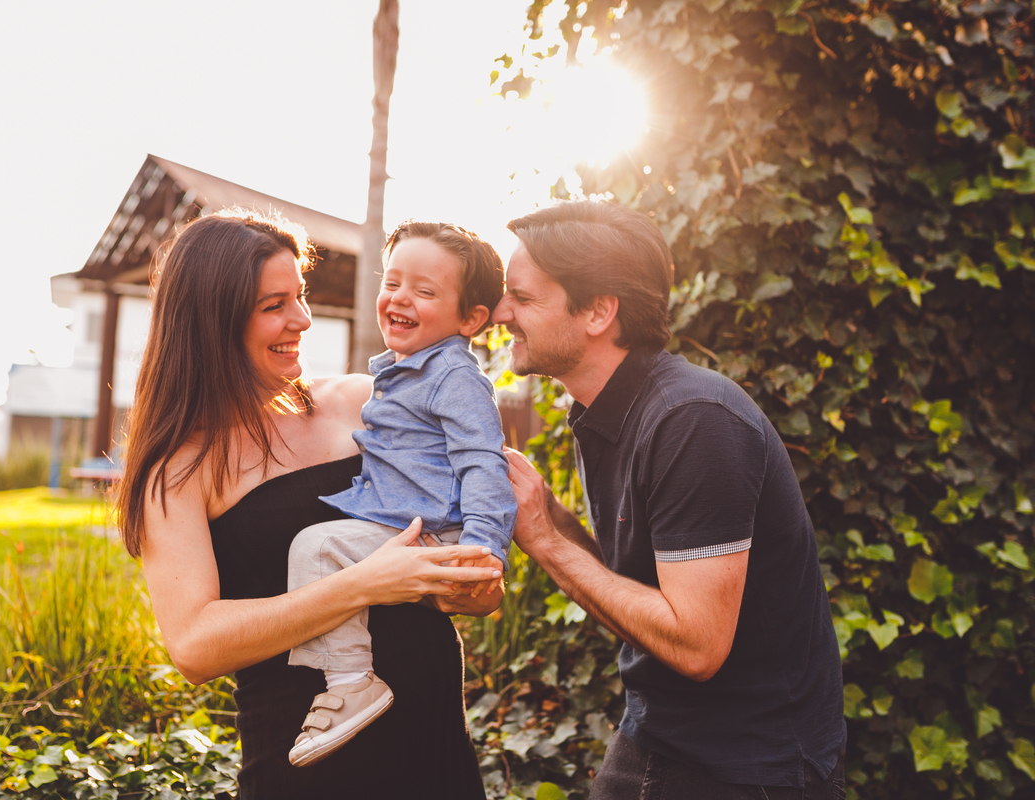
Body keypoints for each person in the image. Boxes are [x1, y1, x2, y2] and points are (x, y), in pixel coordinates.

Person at [114, 210, 502, 800]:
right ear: (212, 322)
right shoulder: (179, 470)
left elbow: (471, 530)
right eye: (275, 305)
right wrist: (363, 584)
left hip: (435, 751)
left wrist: (476, 588)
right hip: (313, 772)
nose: (303, 319)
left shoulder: (367, 404)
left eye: (299, 296)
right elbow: (194, 644)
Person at [493, 201, 846, 798]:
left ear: (599, 312)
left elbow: (696, 643)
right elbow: (639, 589)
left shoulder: (693, 421)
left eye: (523, 299)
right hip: (660, 736)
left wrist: (548, 542)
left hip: (749, 767)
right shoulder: (605, 409)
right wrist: (547, 515)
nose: (500, 313)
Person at [285, 221, 515, 767]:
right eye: (392, 283)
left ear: (471, 319)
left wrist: (482, 551)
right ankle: (349, 679)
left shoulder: (454, 376)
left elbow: (484, 464)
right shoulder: (406, 372)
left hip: (430, 531)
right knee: (324, 550)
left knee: (317, 549)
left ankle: (351, 682)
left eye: (425, 291)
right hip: (408, 523)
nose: (400, 298)